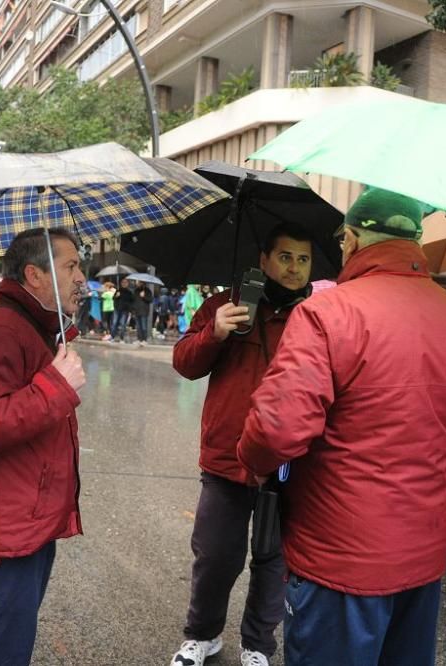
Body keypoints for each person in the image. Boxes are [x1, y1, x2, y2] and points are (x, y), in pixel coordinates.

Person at [235, 190, 446, 665]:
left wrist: (252, 463)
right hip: (422, 555)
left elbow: (276, 431)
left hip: (338, 556)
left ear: (352, 240)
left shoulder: (326, 313)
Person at [171, 223, 314, 666]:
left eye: (303, 259)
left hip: (286, 462)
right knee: (215, 555)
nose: (294, 268)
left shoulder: (316, 316)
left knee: (272, 559)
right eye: (286, 257)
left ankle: (258, 645)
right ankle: (203, 635)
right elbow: (185, 364)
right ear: (264, 260)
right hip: (226, 458)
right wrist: (213, 332)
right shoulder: (226, 304)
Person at [0, 228, 86, 665]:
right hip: (6, 531)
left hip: (28, 521)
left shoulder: (34, 326)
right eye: (71, 266)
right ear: (34, 275)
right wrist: (56, 386)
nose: (83, 277)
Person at [112, 277, 135, 343]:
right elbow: (113, 298)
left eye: (125, 282)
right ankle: (113, 337)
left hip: (125, 310)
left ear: (127, 284)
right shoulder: (118, 290)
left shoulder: (129, 292)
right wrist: (116, 296)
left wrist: (130, 309)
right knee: (114, 323)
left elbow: (132, 301)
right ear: (121, 283)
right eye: (123, 282)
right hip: (117, 309)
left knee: (123, 324)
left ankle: (121, 338)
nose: (124, 284)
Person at [134, 280, 154, 345]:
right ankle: (139, 339)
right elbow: (133, 300)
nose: (137, 283)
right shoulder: (136, 290)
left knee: (143, 326)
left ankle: (144, 340)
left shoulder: (148, 291)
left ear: (142, 283)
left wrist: (144, 296)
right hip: (137, 311)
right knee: (138, 327)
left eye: (138, 282)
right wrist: (133, 310)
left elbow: (150, 300)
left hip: (144, 311)